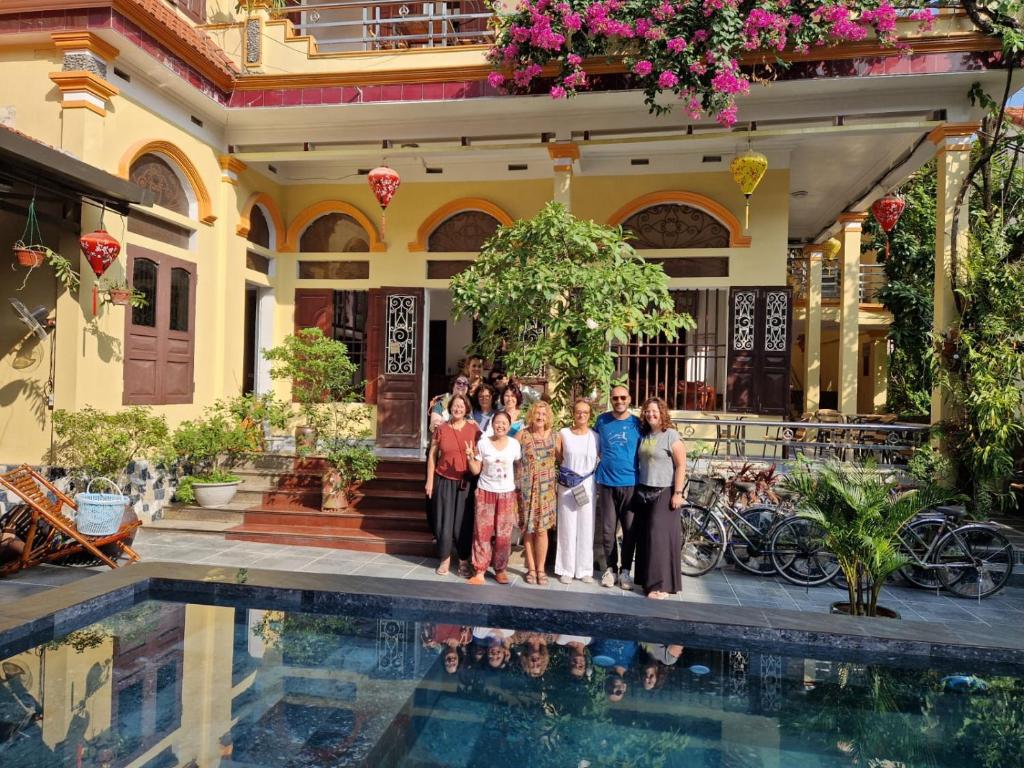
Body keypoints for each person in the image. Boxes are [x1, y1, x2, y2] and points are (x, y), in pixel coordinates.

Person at [634, 397, 686, 599]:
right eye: (647, 411)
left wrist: (678, 493)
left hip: (665, 492)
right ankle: (648, 582)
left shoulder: (670, 435)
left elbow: (681, 464)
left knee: (659, 539)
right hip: (644, 491)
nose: (650, 414)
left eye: (654, 411)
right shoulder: (645, 435)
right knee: (647, 539)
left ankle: (662, 585)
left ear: (662, 413)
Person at [425, 393, 481, 576]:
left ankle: (464, 561)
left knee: (462, 523)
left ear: (467, 409)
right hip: (443, 479)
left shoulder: (474, 429)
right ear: (450, 408)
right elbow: (433, 455)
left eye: (461, 406)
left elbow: (481, 454)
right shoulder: (441, 428)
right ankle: (445, 559)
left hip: (465, 482)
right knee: (443, 522)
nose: (458, 408)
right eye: (455, 405)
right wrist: (430, 480)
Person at [594, 385, 643, 589]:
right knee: (607, 530)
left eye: (623, 397)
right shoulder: (602, 421)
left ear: (629, 399)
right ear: (611, 400)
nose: (619, 401)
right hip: (606, 483)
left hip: (631, 484)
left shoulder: (637, 423)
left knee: (630, 530)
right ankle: (611, 569)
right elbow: (593, 446)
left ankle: (625, 572)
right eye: (615, 398)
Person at [466, 410, 520, 585]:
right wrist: (469, 458)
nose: (501, 426)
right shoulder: (483, 443)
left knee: (504, 534)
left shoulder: (514, 444)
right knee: (482, 533)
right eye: (497, 422)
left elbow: (518, 466)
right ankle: (480, 570)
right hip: (485, 492)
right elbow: (476, 470)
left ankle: (500, 569)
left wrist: (518, 492)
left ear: (509, 426)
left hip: (506, 494)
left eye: (504, 423)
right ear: (492, 424)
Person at [555, 399, 598, 584]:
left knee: (587, 527)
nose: (581, 415)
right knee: (567, 527)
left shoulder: (596, 436)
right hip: (567, 486)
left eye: (585, 412)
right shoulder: (563, 433)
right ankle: (566, 568)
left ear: (590, 415)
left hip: (587, 486)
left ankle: (585, 569)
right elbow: (558, 456)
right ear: (573, 413)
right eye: (578, 411)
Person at [518, 400, 557, 586]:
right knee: (528, 529)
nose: (540, 417)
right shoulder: (522, 435)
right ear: (531, 415)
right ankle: (531, 569)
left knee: (541, 531)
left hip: (546, 491)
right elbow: (509, 455)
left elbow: (563, 459)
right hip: (527, 489)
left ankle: (541, 569)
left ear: (548, 417)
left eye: (543, 414)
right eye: (537, 413)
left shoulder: (555, 436)